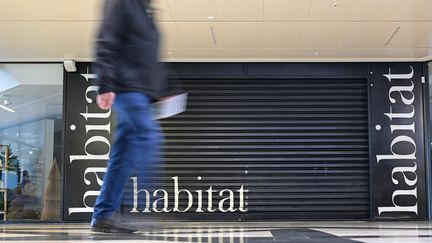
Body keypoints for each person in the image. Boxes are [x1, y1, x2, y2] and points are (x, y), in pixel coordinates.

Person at [90, 0, 165, 233]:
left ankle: (103, 215)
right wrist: (105, 83)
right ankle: (146, 209)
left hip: (141, 92)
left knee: (122, 156)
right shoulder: (121, 2)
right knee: (150, 137)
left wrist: (161, 91)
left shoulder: (146, 11)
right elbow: (106, 40)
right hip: (126, 88)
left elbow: (149, 60)